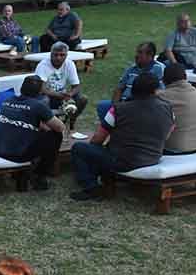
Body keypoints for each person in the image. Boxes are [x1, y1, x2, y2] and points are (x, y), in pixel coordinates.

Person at [70, 73, 174, 201]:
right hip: (152, 158)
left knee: (79, 148)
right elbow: (167, 134)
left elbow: (98, 139)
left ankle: (91, 187)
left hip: (122, 162)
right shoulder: (168, 109)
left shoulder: (118, 109)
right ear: (155, 90)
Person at [0, 76, 67, 191]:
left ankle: (23, 174)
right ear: (40, 91)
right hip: (16, 155)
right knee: (55, 136)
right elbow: (60, 127)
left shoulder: (8, 101)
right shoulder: (38, 106)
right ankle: (40, 175)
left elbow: (22, 120)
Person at [96, 42, 164, 125]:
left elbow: (160, 93)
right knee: (102, 106)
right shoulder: (131, 68)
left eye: (139, 53)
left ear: (150, 55)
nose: (136, 55)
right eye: (137, 52)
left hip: (140, 106)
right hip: (123, 104)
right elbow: (119, 89)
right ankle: (113, 132)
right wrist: (116, 107)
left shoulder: (157, 69)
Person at [34, 42, 87, 125]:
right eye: (55, 55)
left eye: (62, 55)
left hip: (62, 95)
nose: (58, 58)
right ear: (51, 54)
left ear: (66, 55)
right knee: (44, 100)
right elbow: (41, 88)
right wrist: (59, 95)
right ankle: (48, 124)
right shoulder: (43, 65)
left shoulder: (69, 64)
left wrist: (70, 94)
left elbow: (77, 86)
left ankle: (72, 119)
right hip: (47, 95)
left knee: (82, 98)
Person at [158, 63, 196, 155]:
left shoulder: (162, 96)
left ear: (164, 80)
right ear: (185, 77)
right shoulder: (195, 92)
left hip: (172, 150)